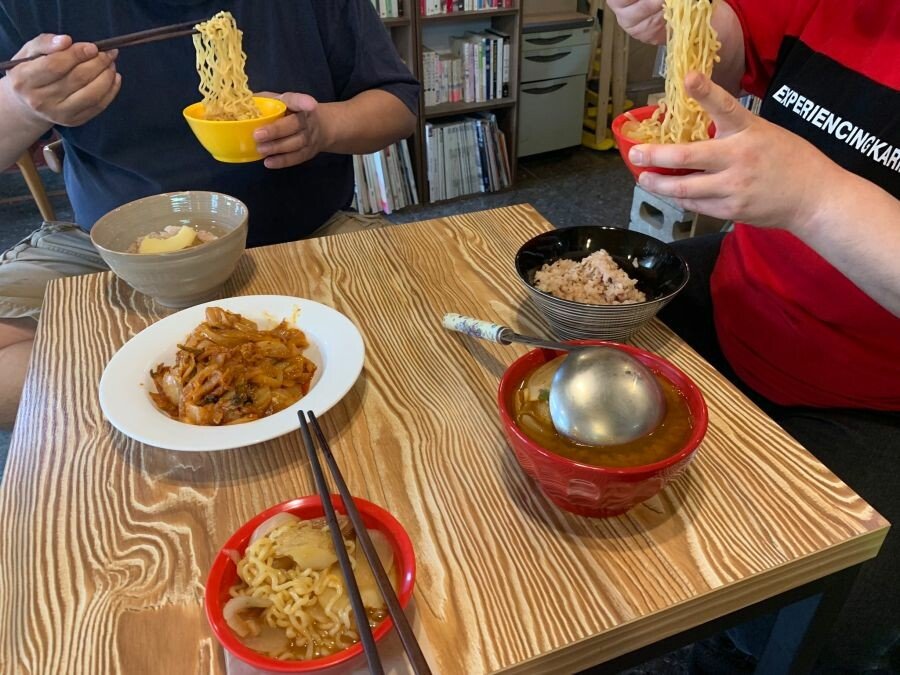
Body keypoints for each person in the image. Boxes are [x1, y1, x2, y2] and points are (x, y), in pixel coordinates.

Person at [607, 0, 899, 671]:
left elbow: (813, 193)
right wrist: (673, 15)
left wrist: (817, 197)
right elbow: (730, 46)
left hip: (873, 401)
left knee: (811, 623)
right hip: (737, 293)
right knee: (574, 345)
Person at [0, 0, 420, 427]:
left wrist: (322, 127)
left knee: (410, 322)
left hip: (305, 232)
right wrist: (20, 105)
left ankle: (185, 386)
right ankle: (149, 394)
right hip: (105, 254)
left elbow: (399, 107)